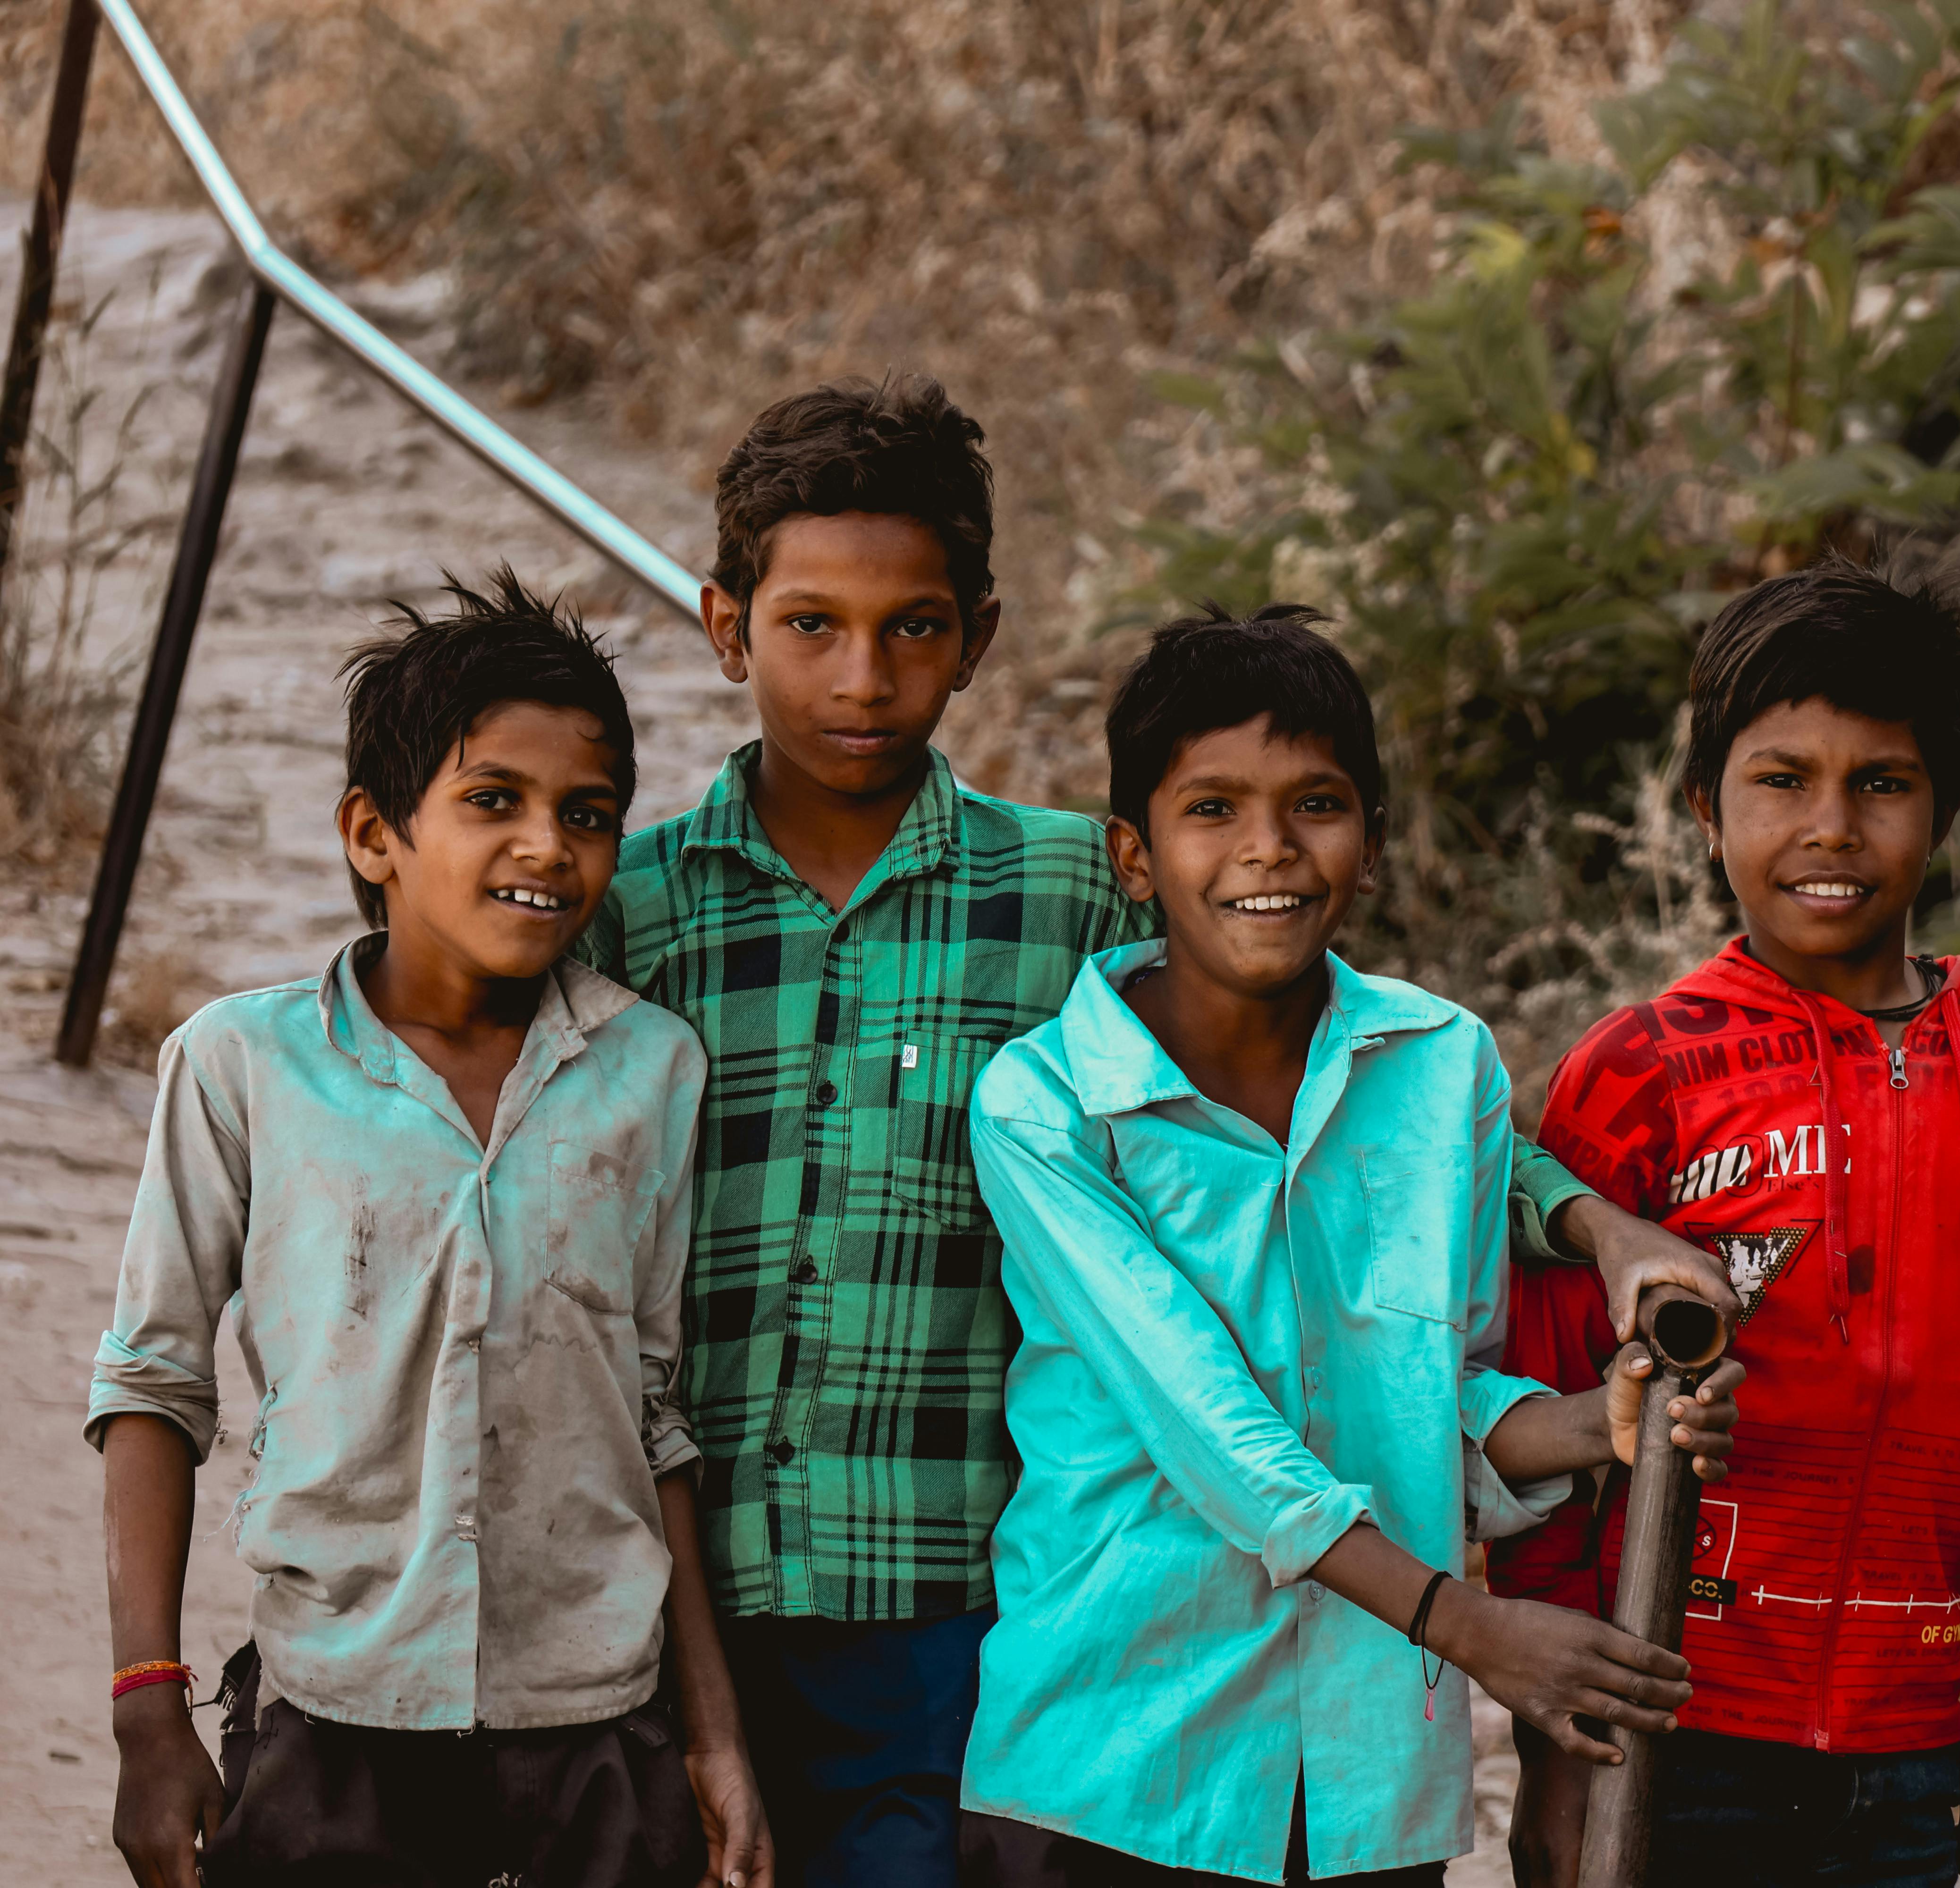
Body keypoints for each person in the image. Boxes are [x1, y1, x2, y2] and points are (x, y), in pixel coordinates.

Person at [581, 378, 1729, 1883]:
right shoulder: (631, 912)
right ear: (728, 628)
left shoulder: (1074, 894)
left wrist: (1595, 1221)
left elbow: (1340, 1092)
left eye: (914, 627)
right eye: (811, 627)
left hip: (960, 1590)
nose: (862, 675)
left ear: (977, 638)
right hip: (694, 1580)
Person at [954, 605, 1746, 1886]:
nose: (1267, 849)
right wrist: (1472, 1628)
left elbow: (1436, 1395)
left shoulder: (1443, 1069)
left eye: (1315, 804)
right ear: (1134, 856)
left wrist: (1600, 1422)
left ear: (1372, 842)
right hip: (1117, 1764)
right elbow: (1211, 1429)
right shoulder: (1046, 1104)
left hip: (1367, 1779)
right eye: (1211, 808)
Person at [92, 575, 768, 1888]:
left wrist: (716, 1732)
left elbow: (654, 1414)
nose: (548, 848)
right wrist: (146, 1710)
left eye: (588, 816)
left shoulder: (651, 1072)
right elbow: (153, 1384)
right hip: (332, 1723)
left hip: (598, 1736)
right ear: (372, 833)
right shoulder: (242, 1067)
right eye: (492, 801)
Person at [1494, 559, 1960, 1888]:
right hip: (1665, 1721)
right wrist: (1554, 1744)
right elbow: (1545, 1433)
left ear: (1944, 809)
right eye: (1783, 780)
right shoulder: (1640, 1071)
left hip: (1905, 1744)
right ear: (1706, 807)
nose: (1832, 826)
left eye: (1881, 783)